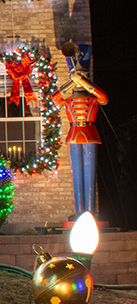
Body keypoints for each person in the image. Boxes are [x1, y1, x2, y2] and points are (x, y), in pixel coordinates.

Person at [52, 41, 107, 217]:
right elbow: (56, 98)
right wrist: (71, 82)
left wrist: (83, 81)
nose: (78, 78)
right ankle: (78, 212)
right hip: (74, 133)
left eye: (82, 75)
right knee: (77, 176)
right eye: (76, 75)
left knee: (89, 175)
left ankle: (90, 212)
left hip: (90, 133)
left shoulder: (93, 97)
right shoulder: (69, 99)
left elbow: (104, 97)